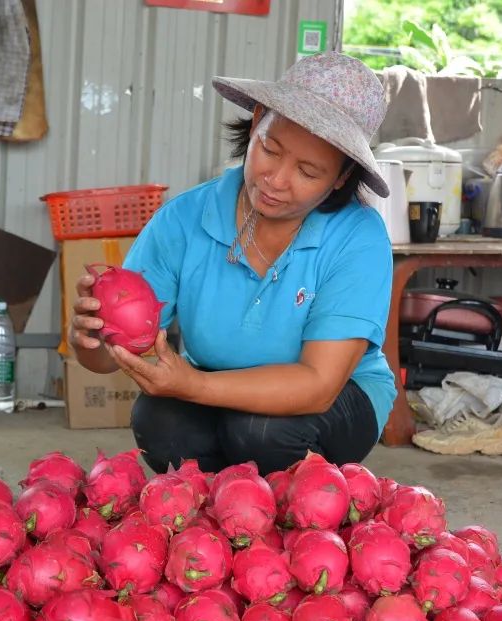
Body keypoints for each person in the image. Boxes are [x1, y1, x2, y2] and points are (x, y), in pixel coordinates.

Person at [68, 53, 395, 475]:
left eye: (308, 172)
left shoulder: (358, 236)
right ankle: (227, 512)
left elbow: (318, 386)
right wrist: (91, 340)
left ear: (341, 177)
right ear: (257, 119)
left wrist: (195, 385)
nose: (276, 180)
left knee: (260, 432)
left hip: (335, 400)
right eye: (269, 149)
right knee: (159, 421)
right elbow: (111, 357)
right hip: (218, 390)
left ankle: (303, 504)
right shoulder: (184, 219)